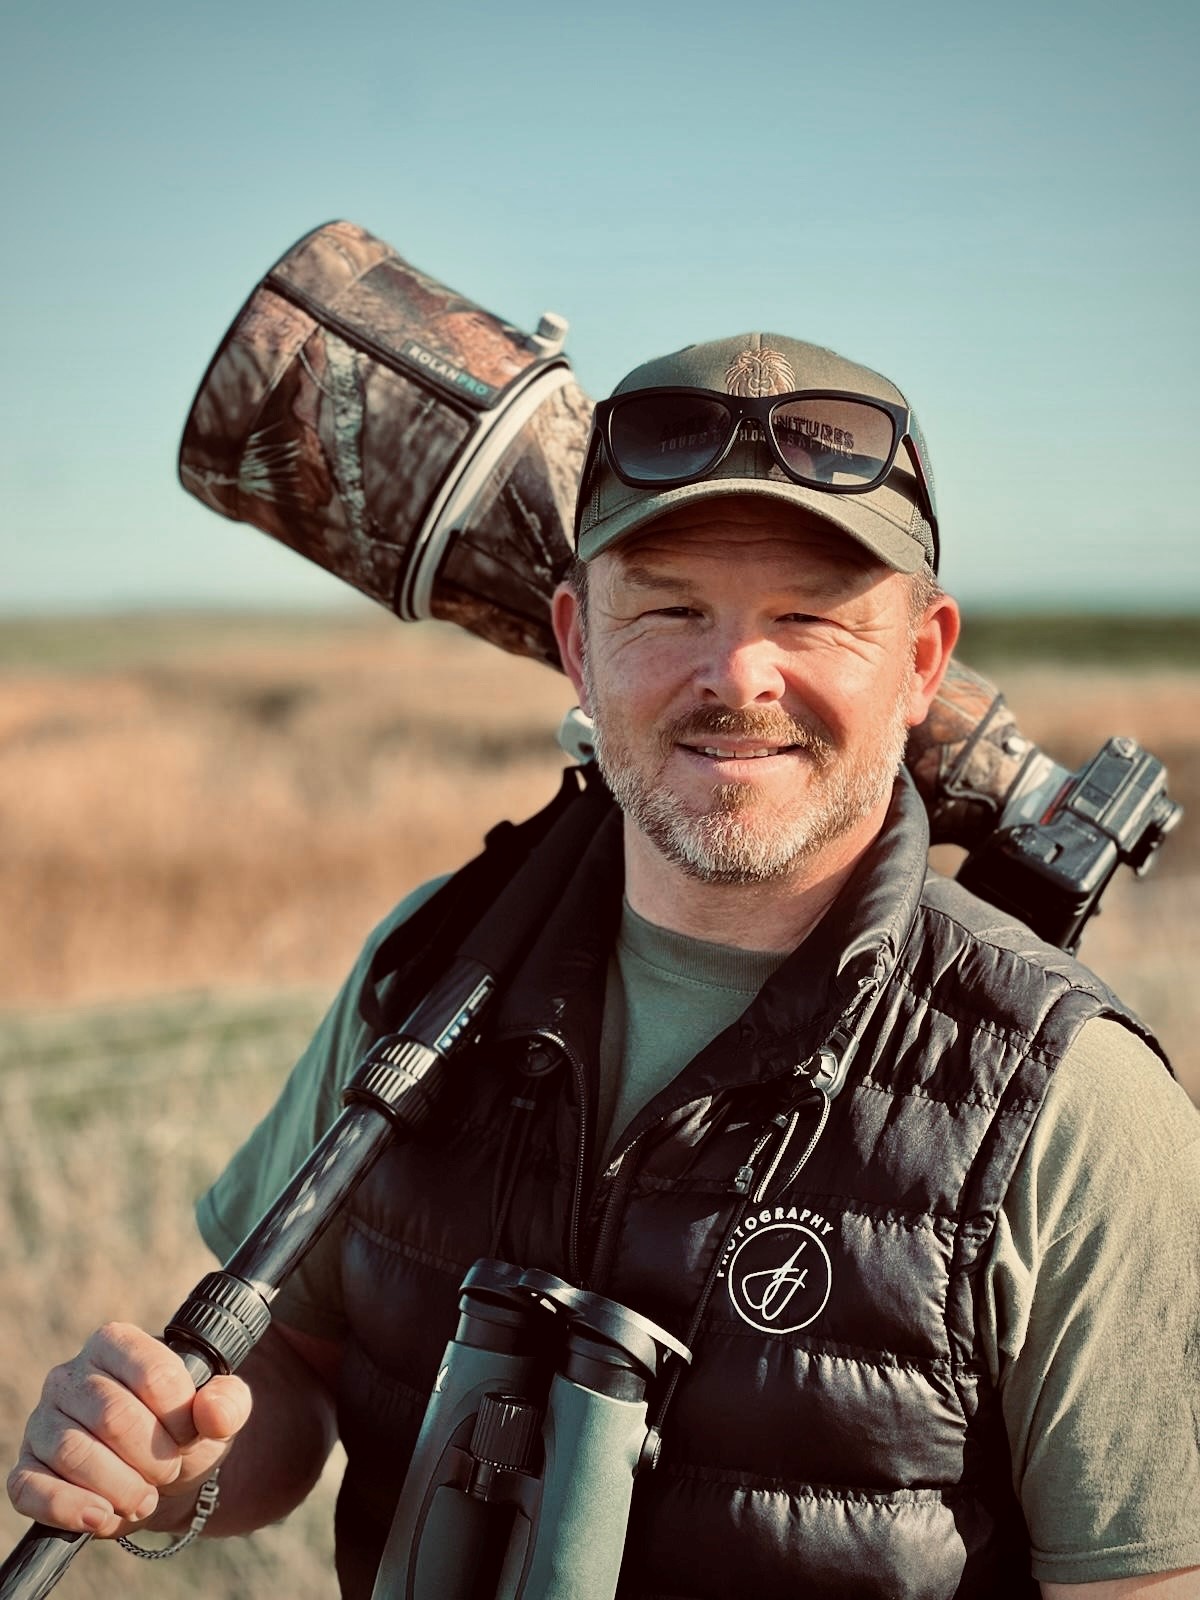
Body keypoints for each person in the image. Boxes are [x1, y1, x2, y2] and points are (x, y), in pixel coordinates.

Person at [8, 334, 1200, 1599]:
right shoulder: (427, 969)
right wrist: (176, 1467)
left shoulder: (1069, 1105)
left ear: (919, 660)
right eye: (671, 608)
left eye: (808, 615)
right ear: (578, 643)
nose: (737, 675)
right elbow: (290, 1379)